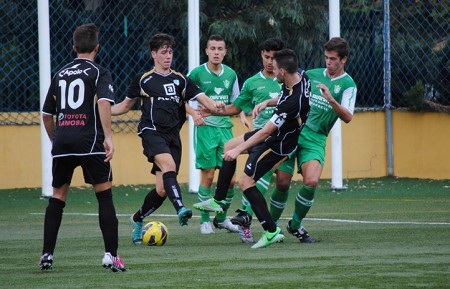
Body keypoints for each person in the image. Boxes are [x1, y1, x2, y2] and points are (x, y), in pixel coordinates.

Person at [111, 33, 225, 245]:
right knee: (169, 165)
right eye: (163, 52)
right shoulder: (144, 79)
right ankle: (181, 207)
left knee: (162, 189)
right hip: (151, 132)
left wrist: (215, 106)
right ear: (153, 54)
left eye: (170, 52)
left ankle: (137, 219)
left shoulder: (180, 80)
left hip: (173, 137)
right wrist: (102, 111)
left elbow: (204, 99)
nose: (168, 56)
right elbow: (124, 106)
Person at [194, 49, 311, 248]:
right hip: (276, 136)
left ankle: (271, 231)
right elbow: (283, 96)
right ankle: (219, 201)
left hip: (277, 144)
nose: (273, 74)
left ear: (282, 71)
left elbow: (265, 132)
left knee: (245, 182)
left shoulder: (292, 103)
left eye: (275, 70)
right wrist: (267, 102)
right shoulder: (300, 76)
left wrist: (239, 150)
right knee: (229, 145)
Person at [40, 23, 126, 272]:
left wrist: (56, 139)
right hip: (90, 141)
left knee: (58, 197)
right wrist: (108, 137)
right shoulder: (99, 72)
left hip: (64, 140)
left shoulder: (60, 73)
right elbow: (105, 103)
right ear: (97, 47)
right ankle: (111, 255)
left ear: (73, 47)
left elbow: (46, 114)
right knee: (104, 194)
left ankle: (47, 255)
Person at [255, 37, 358, 243]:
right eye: (326, 58)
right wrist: (267, 101)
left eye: (333, 59)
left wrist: (331, 99)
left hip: (316, 138)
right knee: (283, 182)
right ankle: (271, 230)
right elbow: (291, 95)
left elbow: (347, 116)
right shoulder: (311, 75)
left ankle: (294, 224)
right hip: (294, 131)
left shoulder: (348, 85)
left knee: (311, 181)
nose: (328, 62)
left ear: (343, 59)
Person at [186, 34, 248, 234]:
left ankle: (221, 218)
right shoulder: (196, 74)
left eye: (220, 49)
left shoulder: (230, 74)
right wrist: (194, 113)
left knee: (230, 179)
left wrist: (243, 116)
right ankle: (205, 220)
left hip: (225, 130)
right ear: (206, 51)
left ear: (225, 52)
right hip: (205, 129)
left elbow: (237, 103)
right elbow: (181, 98)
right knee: (209, 175)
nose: (216, 52)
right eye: (212, 48)